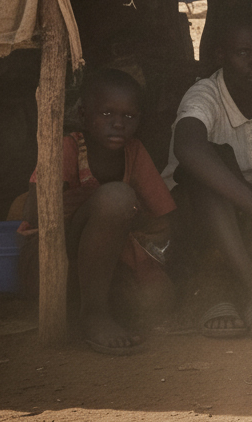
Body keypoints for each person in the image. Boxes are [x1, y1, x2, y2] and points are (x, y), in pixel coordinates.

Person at [163, 14, 252, 338]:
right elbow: (188, 148)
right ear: (221, 56)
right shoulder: (205, 95)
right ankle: (251, 289)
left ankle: (221, 288)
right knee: (207, 169)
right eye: (243, 53)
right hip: (194, 211)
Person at [19, 69, 177, 355]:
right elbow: (35, 214)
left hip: (103, 264)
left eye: (129, 117)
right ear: (82, 114)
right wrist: (100, 204)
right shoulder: (67, 148)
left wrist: (122, 218)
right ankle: (94, 314)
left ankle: (90, 307)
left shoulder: (134, 152)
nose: (118, 124)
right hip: (48, 262)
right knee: (117, 197)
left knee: (158, 299)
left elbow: (161, 220)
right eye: (107, 114)